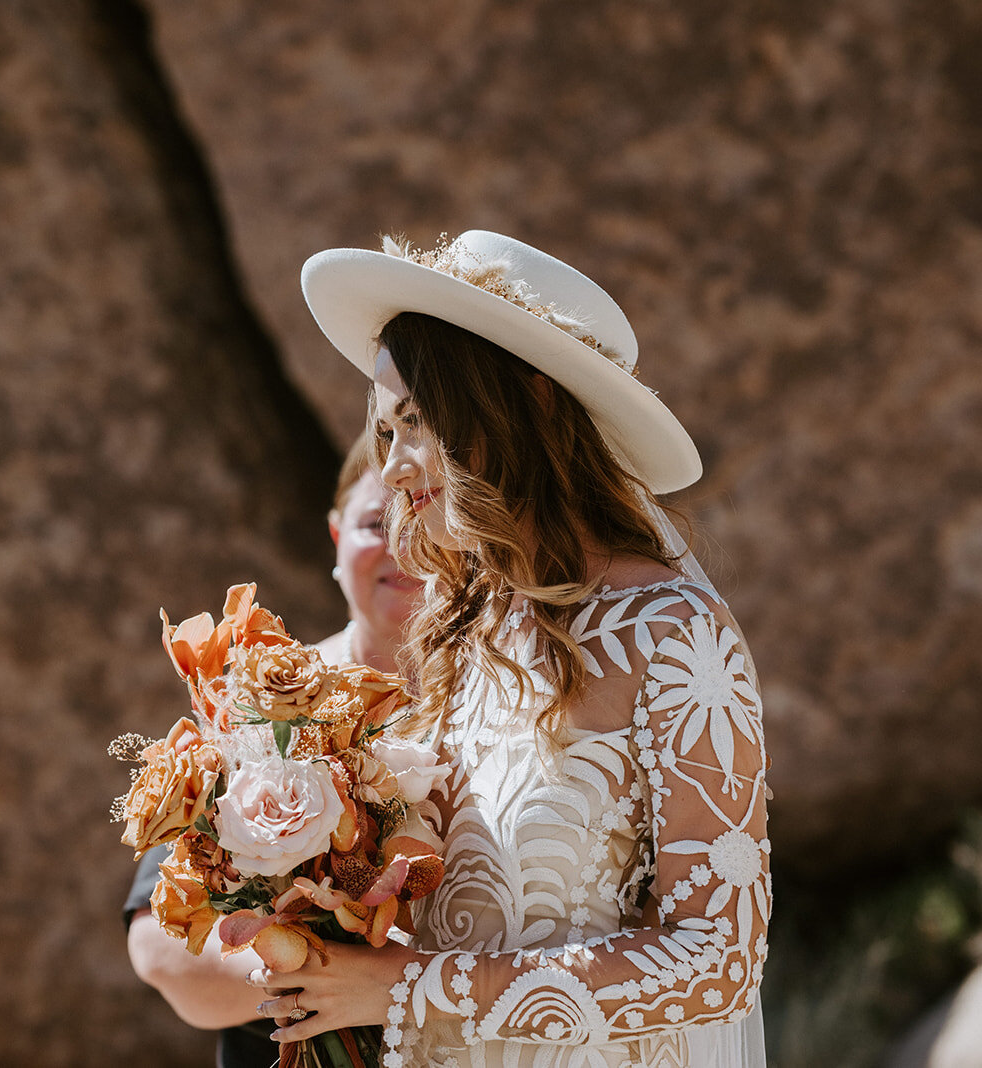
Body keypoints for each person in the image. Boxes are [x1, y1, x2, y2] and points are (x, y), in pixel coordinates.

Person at [248, 231, 771, 1067]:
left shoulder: (672, 634)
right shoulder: (458, 629)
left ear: (529, 408)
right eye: (385, 431)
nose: (394, 470)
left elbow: (719, 963)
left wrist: (408, 987)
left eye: (417, 421)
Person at [124, 430, 422, 1067]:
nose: (402, 545)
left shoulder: (519, 714)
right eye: (376, 522)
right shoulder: (256, 712)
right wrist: (309, 981)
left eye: (421, 518)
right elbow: (157, 946)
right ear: (337, 541)